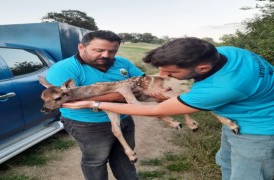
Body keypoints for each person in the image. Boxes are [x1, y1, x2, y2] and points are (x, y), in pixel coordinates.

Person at [63, 37, 274, 180]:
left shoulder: (225, 86)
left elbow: (156, 111)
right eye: (160, 69)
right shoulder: (229, 53)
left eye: (172, 74)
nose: (164, 76)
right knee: (227, 163)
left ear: (202, 68)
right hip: (240, 122)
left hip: (259, 132)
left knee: (248, 174)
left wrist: (94, 103)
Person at [46, 30, 144, 180]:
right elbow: (67, 100)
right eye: (99, 50)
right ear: (81, 47)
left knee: (125, 157)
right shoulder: (63, 69)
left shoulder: (122, 63)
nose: (106, 55)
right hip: (88, 124)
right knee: (96, 161)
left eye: (112, 51)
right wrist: (120, 96)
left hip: (123, 117)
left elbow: (143, 82)